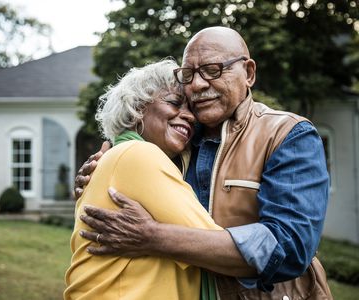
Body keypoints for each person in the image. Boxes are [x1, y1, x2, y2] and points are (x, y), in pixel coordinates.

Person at [76, 27, 332, 299]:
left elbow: (289, 248)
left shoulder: (288, 134)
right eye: (188, 74)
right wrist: (98, 177)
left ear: (248, 73)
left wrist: (154, 237)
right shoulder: (174, 142)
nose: (196, 84)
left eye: (212, 70)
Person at [64, 59, 226, 300]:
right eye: (174, 103)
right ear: (137, 108)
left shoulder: (118, 158)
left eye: (192, 111)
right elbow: (220, 250)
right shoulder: (138, 154)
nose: (189, 117)